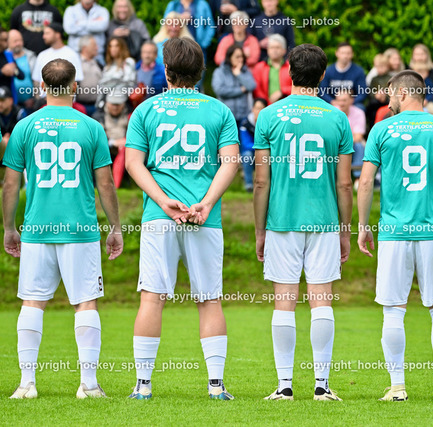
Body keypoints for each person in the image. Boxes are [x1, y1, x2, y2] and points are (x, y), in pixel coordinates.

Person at [125, 37, 239, 401]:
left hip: (160, 216)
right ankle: (216, 386)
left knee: (151, 298)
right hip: (204, 217)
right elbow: (231, 163)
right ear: (202, 70)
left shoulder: (146, 110)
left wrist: (162, 201)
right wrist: (205, 203)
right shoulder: (219, 110)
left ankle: (143, 385)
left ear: (166, 70)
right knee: (209, 299)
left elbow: (133, 163)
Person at [2, 58, 122, 399]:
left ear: (42, 87)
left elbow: (10, 184)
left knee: (32, 302)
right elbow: (105, 184)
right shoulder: (91, 127)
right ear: (74, 87)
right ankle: (89, 385)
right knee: (85, 303)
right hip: (80, 230)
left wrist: (9, 228)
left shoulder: (25, 126)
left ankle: (26, 384)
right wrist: (115, 227)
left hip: (37, 229)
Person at [357, 70, 433, 402]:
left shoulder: (381, 129)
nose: (388, 98)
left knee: (393, 309)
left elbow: (365, 182)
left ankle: (397, 388)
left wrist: (363, 225)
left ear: (403, 93)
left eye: (391, 92)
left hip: (394, 232)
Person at [253, 43, 353, 401]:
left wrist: (260, 231)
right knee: (321, 300)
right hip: (324, 220)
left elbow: (261, 181)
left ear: (288, 72)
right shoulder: (337, 118)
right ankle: (322, 385)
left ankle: (284, 386)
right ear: (323, 75)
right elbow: (344, 183)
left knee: (284, 301)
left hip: (282, 220)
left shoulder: (268, 116)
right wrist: (345, 231)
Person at [32, 23, 84, 92]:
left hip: (66, 98)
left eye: (47, 33)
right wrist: (38, 97)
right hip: (45, 98)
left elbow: (77, 80)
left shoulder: (72, 54)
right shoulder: (42, 55)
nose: (44, 37)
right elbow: (36, 81)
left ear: (57, 35)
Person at [212, 46, 256, 122]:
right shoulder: (220, 72)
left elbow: (252, 86)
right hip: (225, 115)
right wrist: (241, 90)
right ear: (230, 57)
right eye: (237, 57)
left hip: (243, 116)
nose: (240, 59)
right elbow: (219, 90)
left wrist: (239, 74)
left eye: (242, 56)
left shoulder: (245, 71)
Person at [319, 42, 368, 109]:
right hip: (332, 103)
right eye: (343, 53)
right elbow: (322, 92)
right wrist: (332, 101)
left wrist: (351, 102)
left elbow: (363, 92)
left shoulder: (358, 71)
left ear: (352, 54)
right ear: (337, 53)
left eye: (348, 53)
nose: (345, 56)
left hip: (352, 104)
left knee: (360, 107)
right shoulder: (328, 71)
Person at [333, 88, 365, 182]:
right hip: (336, 143)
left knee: (359, 146)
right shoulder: (332, 112)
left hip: (352, 143)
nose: (341, 103)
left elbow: (358, 137)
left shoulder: (359, 113)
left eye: (344, 100)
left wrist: (343, 142)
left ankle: (358, 177)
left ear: (351, 100)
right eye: (339, 100)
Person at [251, 34, 291, 105]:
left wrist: (282, 91)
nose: (274, 50)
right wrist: (267, 103)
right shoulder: (259, 67)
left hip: (287, 104)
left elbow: (296, 88)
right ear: (267, 50)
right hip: (265, 105)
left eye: (277, 47)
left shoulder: (290, 67)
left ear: (284, 50)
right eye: (272, 47)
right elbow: (257, 90)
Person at [238, 97, 267, 191]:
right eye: (257, 108)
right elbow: (245, 143)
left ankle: (268, 185)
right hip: (251, 151)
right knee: (247, 155)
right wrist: (261, 148)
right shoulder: (245, 123)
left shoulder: (269, 123)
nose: (259, 111)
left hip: (265, 153)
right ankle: (249, 185)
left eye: (261, 108)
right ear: (252, 109)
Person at [97, 37, 136, 102]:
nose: (113, 49)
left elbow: (129, 83)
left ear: (122, 48)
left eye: (116, 46)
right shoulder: (107, 66)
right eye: (111, 46)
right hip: (107, 101)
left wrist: (109, 84)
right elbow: (101, 85)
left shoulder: (128, 62)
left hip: (123, 100)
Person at [7, 30, 37, 110]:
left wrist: (34, 98)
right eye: (15, 41)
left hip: (30, 103)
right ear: (8, 42)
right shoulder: (4, 57)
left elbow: (37, 80)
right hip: (10, 105)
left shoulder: (31, 56)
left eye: (20, 40)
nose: (18, 43)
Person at [76, 36, 102, 115]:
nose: (97, 48)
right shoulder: (77, 63)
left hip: (97, 106)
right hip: (80, 106)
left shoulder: (98, 63)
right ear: (85, 48)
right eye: (94, 46)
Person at [0, 86, 27, 161]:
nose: (0, 104)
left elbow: (25, 137)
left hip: (16, 149)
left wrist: (11, 140)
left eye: (2, 100)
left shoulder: (20, 113)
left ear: (11, 101)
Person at [365, 54, 391, 127]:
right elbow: (370, 92)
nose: (379, 69)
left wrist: (385, 97)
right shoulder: (374, 79)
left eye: (382, 66)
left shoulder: (391, 78)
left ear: (387, 66)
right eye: (377, 67)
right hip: (376, 103)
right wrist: (376, 95)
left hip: (387, 102)